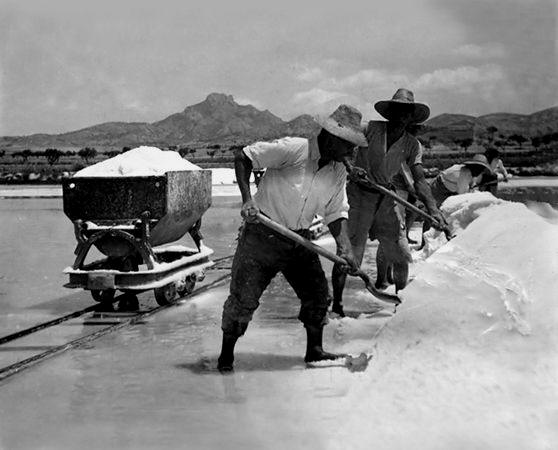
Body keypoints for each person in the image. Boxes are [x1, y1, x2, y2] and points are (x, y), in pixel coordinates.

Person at [217, 105, 366, 372]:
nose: (352, 152)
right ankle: (226, 356)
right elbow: (244, 156)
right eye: (349, 145)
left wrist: (345, 248)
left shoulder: (337, 171)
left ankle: (315, 351)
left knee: (318, 295)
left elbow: (335, 212)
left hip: (299, 240)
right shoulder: (295, 150)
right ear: (331, 138)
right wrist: (247, 199)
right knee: (243, 299)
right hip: (261, 237)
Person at [331, 88, 446, 316]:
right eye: (398, 110)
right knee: (348, 254)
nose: (402, 115)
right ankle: (337, 305)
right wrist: (350, 167)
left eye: (407, 112)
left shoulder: (413, 145)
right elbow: (339, 143)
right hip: (359, 195)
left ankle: (400, 304)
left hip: (386, 197)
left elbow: (420, 180)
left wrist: (433, 208)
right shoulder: (369, 129)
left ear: (412, 116)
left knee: (401, 254)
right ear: (390, 112)